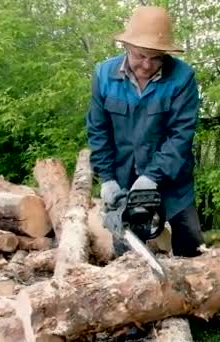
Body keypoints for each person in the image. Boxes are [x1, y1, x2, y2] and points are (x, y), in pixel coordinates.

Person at [86, 6, 204, 257]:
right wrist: (106, 178)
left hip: (173, 180)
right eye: (140, 56)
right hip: (123, 178)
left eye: (156, 57)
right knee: (128, 252)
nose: (147, 64)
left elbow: (181, 135)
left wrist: (153, 175)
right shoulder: (103, 75)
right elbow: (98, 131)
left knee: (192, 246)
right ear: (126, 47)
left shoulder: (182, 78)